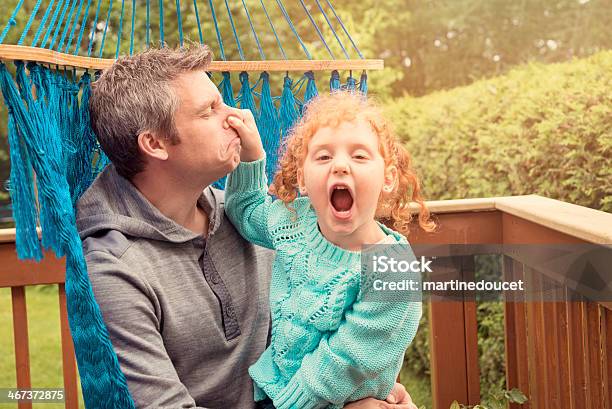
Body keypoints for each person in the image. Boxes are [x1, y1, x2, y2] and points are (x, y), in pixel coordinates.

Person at [76, 44, 417, 408]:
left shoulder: (245, 217)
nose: (237, 116)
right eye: (210, 110)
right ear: (155, 143)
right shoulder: (116, 269)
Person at [224, 92, 436, 409]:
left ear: (388, 178)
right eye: (323, 157)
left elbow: (343, 361)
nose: (339, 165)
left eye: (360, 157)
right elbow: (244, 211)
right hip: (274, 391)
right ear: (302, 179)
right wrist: (251, 156)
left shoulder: (392, 271)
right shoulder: (292, 220)